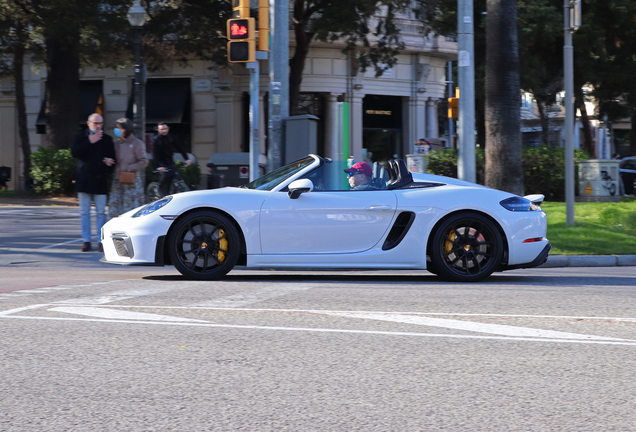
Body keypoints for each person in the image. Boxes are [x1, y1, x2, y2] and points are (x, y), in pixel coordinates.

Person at [71, 113, 116, 252]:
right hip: (84, 179)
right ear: (88, 123)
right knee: (84, 212)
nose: (98, 126)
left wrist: (108, 164)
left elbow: (113, 159)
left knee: (101, 212)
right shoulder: (80, 136)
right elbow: (75, 153)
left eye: (100, 123)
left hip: (99, 179)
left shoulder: (107, 139)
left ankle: (101, 241)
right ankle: (86, 241)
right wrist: (90, 141)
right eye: (95, 123)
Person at [108, 118, 148, 218]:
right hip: (117, 180)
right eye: (116, 128)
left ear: (126, 129)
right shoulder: (116, 144)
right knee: (114, 209)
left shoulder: (137, 143)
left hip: (131, 181)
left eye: (118, 128)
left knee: (129, 211)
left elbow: (144, 161)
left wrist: (129, 167)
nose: (116, 130)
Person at [153, 123, 191, 197]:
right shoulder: (156, 140)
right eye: (162, 129)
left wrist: (186, 159)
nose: (164, 131)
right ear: (158, 130)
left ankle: (172, 193)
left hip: (169, 160)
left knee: (173, 175)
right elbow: (154, 155)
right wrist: (158, 166)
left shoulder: (171, 138)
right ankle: (159, 190)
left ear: (168, 129)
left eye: (165, 129)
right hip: (160, 161)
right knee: (165, 176)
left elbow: (180, 148)